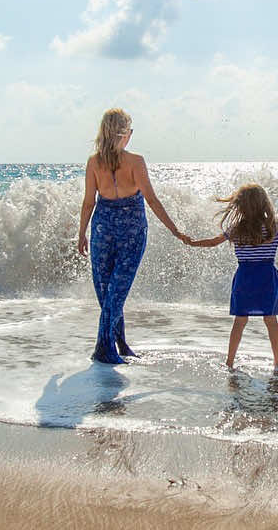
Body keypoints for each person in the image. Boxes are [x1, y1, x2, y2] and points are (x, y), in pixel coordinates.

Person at [78, 108, 189, 364]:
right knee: (115, 292)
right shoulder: (135, 162)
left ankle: (119, 344)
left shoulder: (94, 162)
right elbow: (151, 199)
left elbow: (88, 203)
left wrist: (82, 233)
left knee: (109, 292)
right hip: (131, 230)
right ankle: (105, 348)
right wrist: (175, 229)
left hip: (102, 229)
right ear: (126, 133)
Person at [187, 184, 278, 369]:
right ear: (265, 204)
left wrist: (192, 242)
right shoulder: (274, 226)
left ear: (240, 206)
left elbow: (212, 242)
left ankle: (230, 361)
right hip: (266, 279)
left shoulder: (236, 229)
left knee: (240, 321)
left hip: (244, 278)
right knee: (271, 320)